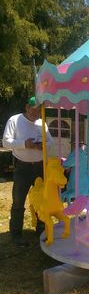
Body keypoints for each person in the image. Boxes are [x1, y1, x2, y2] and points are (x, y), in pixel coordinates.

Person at [2, 96, 53, 246]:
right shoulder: (15, 120)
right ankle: (16, 233)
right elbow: (6, 142)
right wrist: (25, 144)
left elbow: (50, 141)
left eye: (39, 110)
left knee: (42, 200)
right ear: (27, 107)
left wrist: (42, 145)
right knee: (19, 200)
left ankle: (41, 229)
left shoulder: (42, 123)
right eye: (34, 109)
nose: (37, 113)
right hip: (22, 167)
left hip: (39, 166)